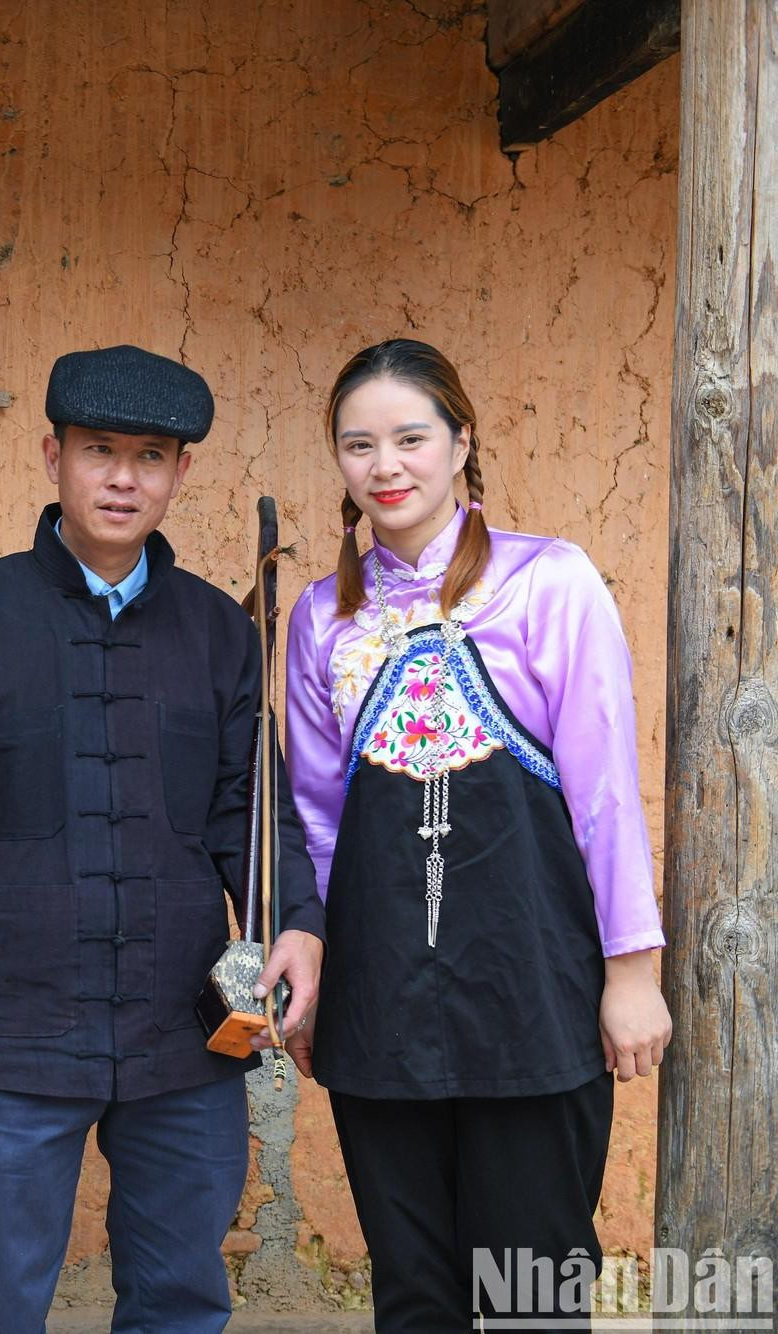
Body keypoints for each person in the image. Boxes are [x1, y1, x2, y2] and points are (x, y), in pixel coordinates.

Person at [0, 345, 326, 1332]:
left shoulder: (213, 632)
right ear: (52, 456)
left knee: (178, 1293)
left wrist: (293, 922)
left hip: (182, 1033)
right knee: (4, 1301)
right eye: (98, 450)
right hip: (13, 1032)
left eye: (149, 456)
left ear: (179, 474)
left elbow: (252, 804)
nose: (122, 477)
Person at [281, 338, 672, 1330]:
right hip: (378, 1006)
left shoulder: (547, 582)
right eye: (357, 443)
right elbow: (319, 819)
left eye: (410, 437)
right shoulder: (323, 616)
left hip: (530, 994)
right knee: (413, 1292)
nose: (385, 465)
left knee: (532, 1289)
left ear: (459, 441)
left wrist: (630, 970)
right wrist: (317, 969)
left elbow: (601, 793)